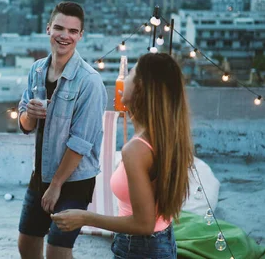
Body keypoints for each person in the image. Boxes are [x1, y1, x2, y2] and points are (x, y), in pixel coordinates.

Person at [51, 53, 194, 259]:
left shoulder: (136, 150)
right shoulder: (166, 137)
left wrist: (84, 217)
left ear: (140, 87)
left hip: (139, 249)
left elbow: (143, 224)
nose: (123, 80)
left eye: (130, 75)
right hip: (162, 241)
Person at [17, 1, 108, 259]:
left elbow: (81, 142)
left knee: (57, 250)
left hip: (74, 180)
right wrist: (29, 116)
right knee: (26, 243)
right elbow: (25, 124)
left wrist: (56, 185)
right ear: (48, 29)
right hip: (40, 175)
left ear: (80, 35)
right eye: (59, 28)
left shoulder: (89, 81)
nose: (64, 36)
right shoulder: (36, 70)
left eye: (72, 31)